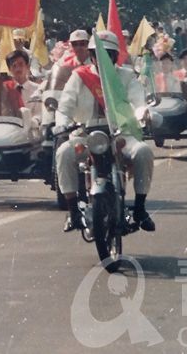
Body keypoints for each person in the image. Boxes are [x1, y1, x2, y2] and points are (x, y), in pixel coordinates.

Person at [55, 31, 155, 233]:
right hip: (86, 134)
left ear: (115, 56)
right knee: (63, 152)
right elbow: (65, 106)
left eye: (107, 54)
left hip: (120, 134)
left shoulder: (126, 76)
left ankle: (140, 208)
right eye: (97, 54)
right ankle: (73, 210)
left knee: (143, 152)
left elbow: (138, 101)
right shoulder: (79, 76)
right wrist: (62, 123)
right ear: (92, 55)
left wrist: (142, 113)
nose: (102, 59)